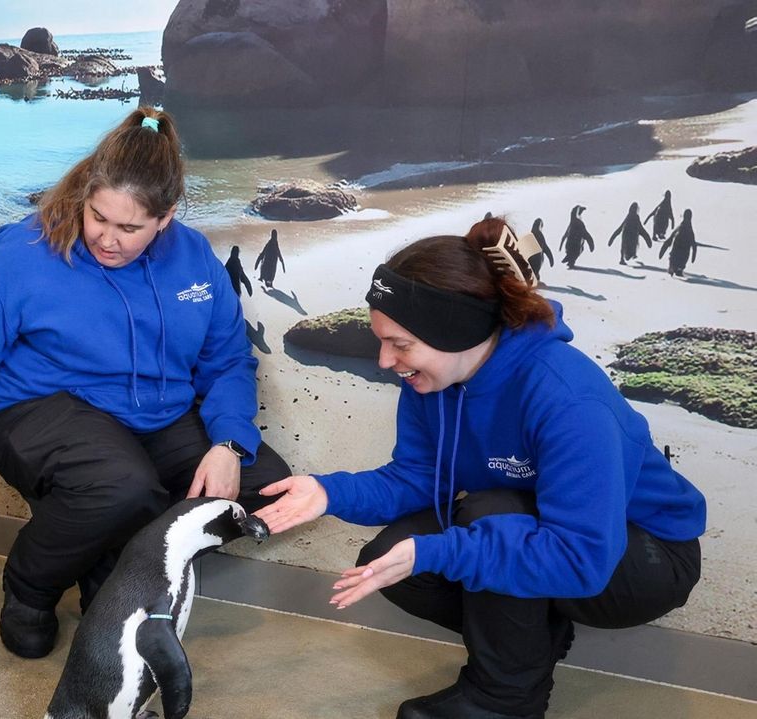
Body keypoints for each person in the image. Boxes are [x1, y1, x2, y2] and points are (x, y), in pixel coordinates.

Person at [254, 217, 705, 719]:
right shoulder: (434, 381)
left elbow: (582, 557)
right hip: (535, 523)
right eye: (380, 340)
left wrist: (438, 550)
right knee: (392, 561)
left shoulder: (569, 400)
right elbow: (419, 478)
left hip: (642, 557)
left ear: (456, 331)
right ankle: (530, 646)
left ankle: (503, 702)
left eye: (400, 344)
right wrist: (328, 493)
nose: (384, 360)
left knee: (484, 518)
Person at [0, 107, 290, 660]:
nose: (107, 239)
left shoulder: (193, 256)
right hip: (39, 407)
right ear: (85, 195)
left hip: (155, 413)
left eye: (130, 228)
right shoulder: (22, 253)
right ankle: (31, 586)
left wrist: (228, 444)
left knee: (265, 484)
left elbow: (227, 361)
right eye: (98, 218)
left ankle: (112, 570)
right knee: (123, 488)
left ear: (166, 217)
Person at [659, 208, 697, 277]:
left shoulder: (679, 228)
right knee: (682, 261)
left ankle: (672, 267)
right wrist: (693, 256)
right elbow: (694, 245)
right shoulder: (690, 231)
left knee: (675, 259)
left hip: (674, 255)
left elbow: (669, 241)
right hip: (683, 257)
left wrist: (662, 251)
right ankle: (679, 269)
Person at [558, 205, 593, 269]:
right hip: (576, 246)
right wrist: (591, 244)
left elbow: (565, 235)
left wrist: (561, 245)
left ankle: (569, 259)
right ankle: (571, 260)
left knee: (572, 253)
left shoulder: (571, 223)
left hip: (569, 246)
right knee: (576, 252)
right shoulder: (579, 223)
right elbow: (586, 234)